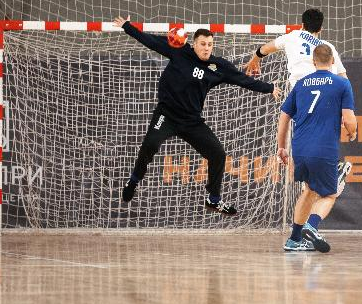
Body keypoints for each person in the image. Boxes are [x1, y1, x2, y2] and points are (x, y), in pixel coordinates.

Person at [113, 16, 281, 215]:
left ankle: (213, 199)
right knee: (150, 145)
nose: (206, 48)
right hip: (167, 115)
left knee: (217, 154)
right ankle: (133, 181)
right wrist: (127, 27)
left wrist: (270, 88)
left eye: (210, 44)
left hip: (191, 121)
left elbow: (243, 80)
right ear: (194, 44)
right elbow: (151, 41)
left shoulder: (218, 67)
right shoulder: (179, 51)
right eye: (202, 44)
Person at [244, 8, 354, 194]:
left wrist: (255, 58)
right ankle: (329, 171)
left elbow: (264, 49)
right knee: (317, 137)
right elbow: (344, 78)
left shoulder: (292, 36)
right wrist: (346, 109)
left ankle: (330, 171)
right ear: (321, 28)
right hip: (328, 93)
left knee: (303, 138)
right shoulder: (327, 47)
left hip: (303, 93)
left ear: (302, 25)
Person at [277, 44, 356, 252]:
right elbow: (349, 119)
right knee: (330, 194)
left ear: (313, 62)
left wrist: (281, 147)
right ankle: (311, 226)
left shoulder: (301, 84)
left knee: (310, 190)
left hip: (300, 148)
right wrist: (352, 131)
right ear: (332, 61)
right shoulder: (342, 83)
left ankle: (294, 240)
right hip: (323, 147)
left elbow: (284, 116)